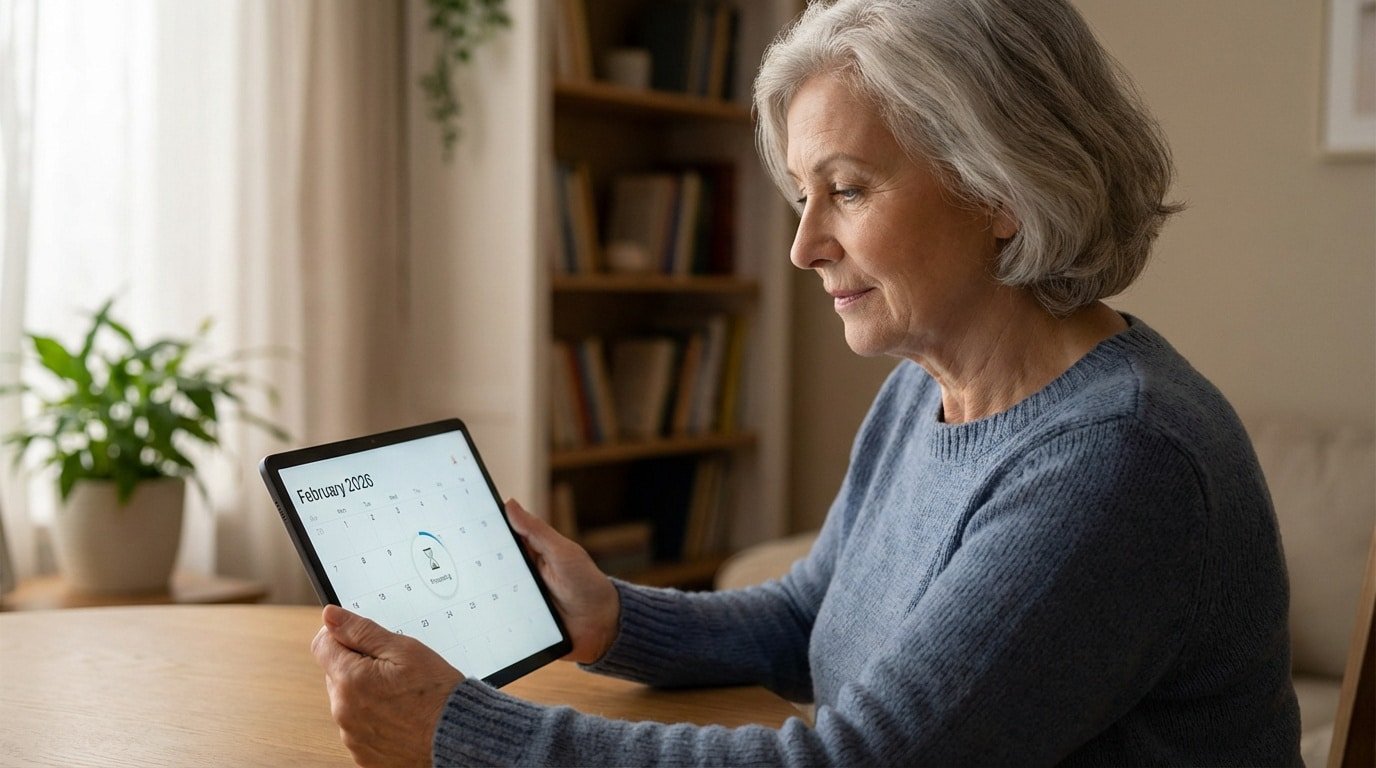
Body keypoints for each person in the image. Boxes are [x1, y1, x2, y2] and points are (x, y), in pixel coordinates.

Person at [311, 0, 1302, 764]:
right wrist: (609, 615)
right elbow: (806, 618)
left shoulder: (1118, 463)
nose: (801, 245)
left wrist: (463, 733)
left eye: (847, 189)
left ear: (999, 184)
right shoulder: (928, 386)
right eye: (800, 194)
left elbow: (854, 761)